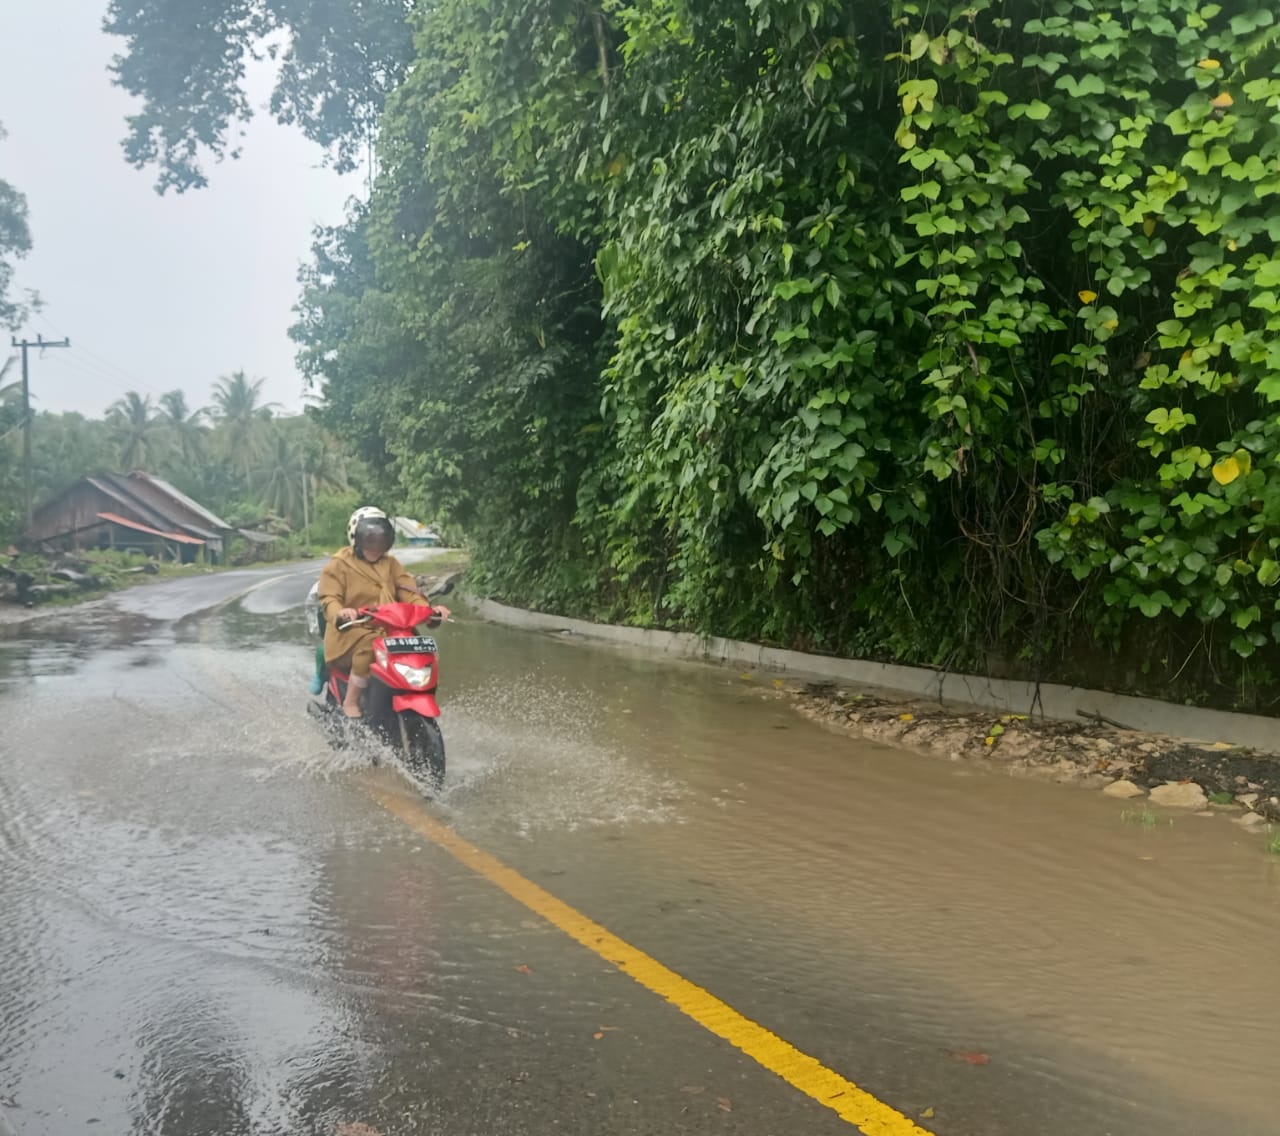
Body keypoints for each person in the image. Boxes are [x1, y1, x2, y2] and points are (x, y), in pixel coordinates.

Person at [317, 506, 451, 718]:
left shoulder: (391, 564)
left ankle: (412, 695)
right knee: (369, 648)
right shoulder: (339, 565)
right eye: (369, 540)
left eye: (381, 541)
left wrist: (429, 611)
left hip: (390, 629)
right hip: (352, 631)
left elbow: (409, 591)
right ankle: (351, 701)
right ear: (355, 538)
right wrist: (342, 613)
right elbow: (329, 598)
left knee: (420, 650)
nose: (375, 547)